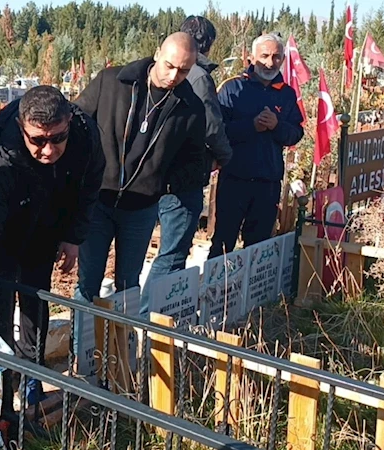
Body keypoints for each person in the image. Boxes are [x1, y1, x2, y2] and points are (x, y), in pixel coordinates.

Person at [0, 86, 103, 426]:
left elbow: (90, 187)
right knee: (3, 304)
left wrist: (73, 237)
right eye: (37, 140)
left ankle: (31, 379)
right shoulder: (2, 159)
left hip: (47, 230)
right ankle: (3, 393)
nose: (48, 150)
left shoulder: (85, 137)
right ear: (23, 127)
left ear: (69, 121)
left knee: (36, 303)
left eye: (57, 138)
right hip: (5, 237)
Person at [74, 32, 206, 315]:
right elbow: (77, 123)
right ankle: (80, 356)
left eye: (184, 70)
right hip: (98, 199)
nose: (174, 76)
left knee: (128, 287)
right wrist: (83, 172)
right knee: (87, 283)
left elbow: (196, 160)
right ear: (158, 53)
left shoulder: (190, 106)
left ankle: (120, 355)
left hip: (141, 209)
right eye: (170, 65)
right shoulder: (112, 82)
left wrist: (162, 182)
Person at [142, 16, 234, 307]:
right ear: (206, 44)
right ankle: (152, 317)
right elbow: (211, 126)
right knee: (172, 254)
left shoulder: (157, 71)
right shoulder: (198, 76)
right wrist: (223, 155)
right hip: (182, 180)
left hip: (152, 176)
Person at [208, 33, 304, 258]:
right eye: (264, 56)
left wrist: (276, 126)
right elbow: (218, 132)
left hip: (267, 183)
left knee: (258, 247)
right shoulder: (232, 89)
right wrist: (251, 126)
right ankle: (214, 291)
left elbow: (295, 134)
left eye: (276, 57)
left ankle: (250, 293)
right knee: (222, 242)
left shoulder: (287, 94)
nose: (270, 63)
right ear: (252, 57)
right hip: (234, 180)